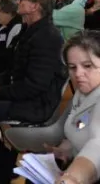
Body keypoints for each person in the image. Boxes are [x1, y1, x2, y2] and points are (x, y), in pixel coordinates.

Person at [0, 0, 66, 183]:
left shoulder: (47, 37)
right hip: (21, 95)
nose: (19, 2)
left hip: (35, 104)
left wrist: (1, 93)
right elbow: (12, 65)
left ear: (35, 6)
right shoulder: (30, 29)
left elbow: (35, 86)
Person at [45, 30, 100, 184]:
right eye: (72, 67)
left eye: (87, 65)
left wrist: (72, 178)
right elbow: (81, 124)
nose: (78, 74)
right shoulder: (83, 92)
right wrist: (67, 150)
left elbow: (97, 145)